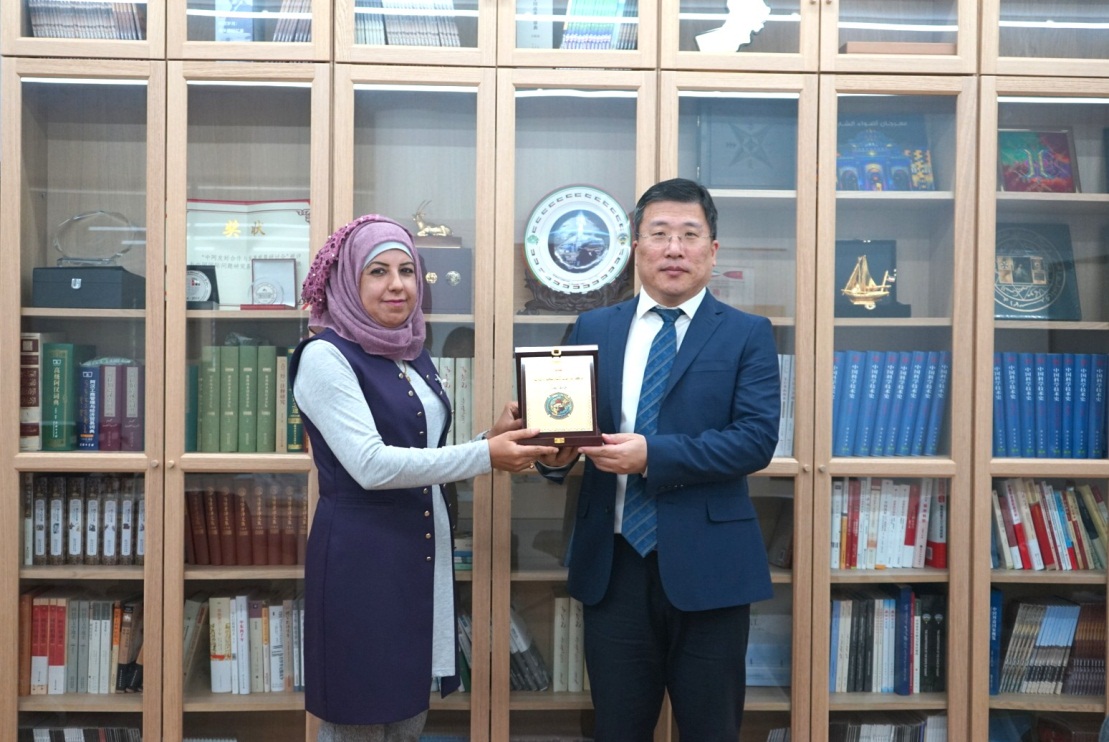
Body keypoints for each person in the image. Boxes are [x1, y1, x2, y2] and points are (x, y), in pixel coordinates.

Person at [290, 214, 557, 742]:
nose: (397, 285)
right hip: (361, 565)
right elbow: (371, 465)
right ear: (347, 279)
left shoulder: (410, 352)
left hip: (417, 558)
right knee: (359, 719)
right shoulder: (324, 357)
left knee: (407, 716)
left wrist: (491, 437)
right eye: (378, 271)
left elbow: (422, 451)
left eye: (407, 270)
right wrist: (485, 455)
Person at [538, 178, 781, 741]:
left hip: (711, 568)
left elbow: (754, 440)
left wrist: (653, 455)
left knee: (711, 730)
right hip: (614, 565)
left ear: (712, 250)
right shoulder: (594, 327)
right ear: (635, 247)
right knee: (618, 729)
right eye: (660, 234)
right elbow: (568, 426)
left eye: (689, 235)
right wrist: (549, 450)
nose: (674, 249)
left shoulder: (747, 334)